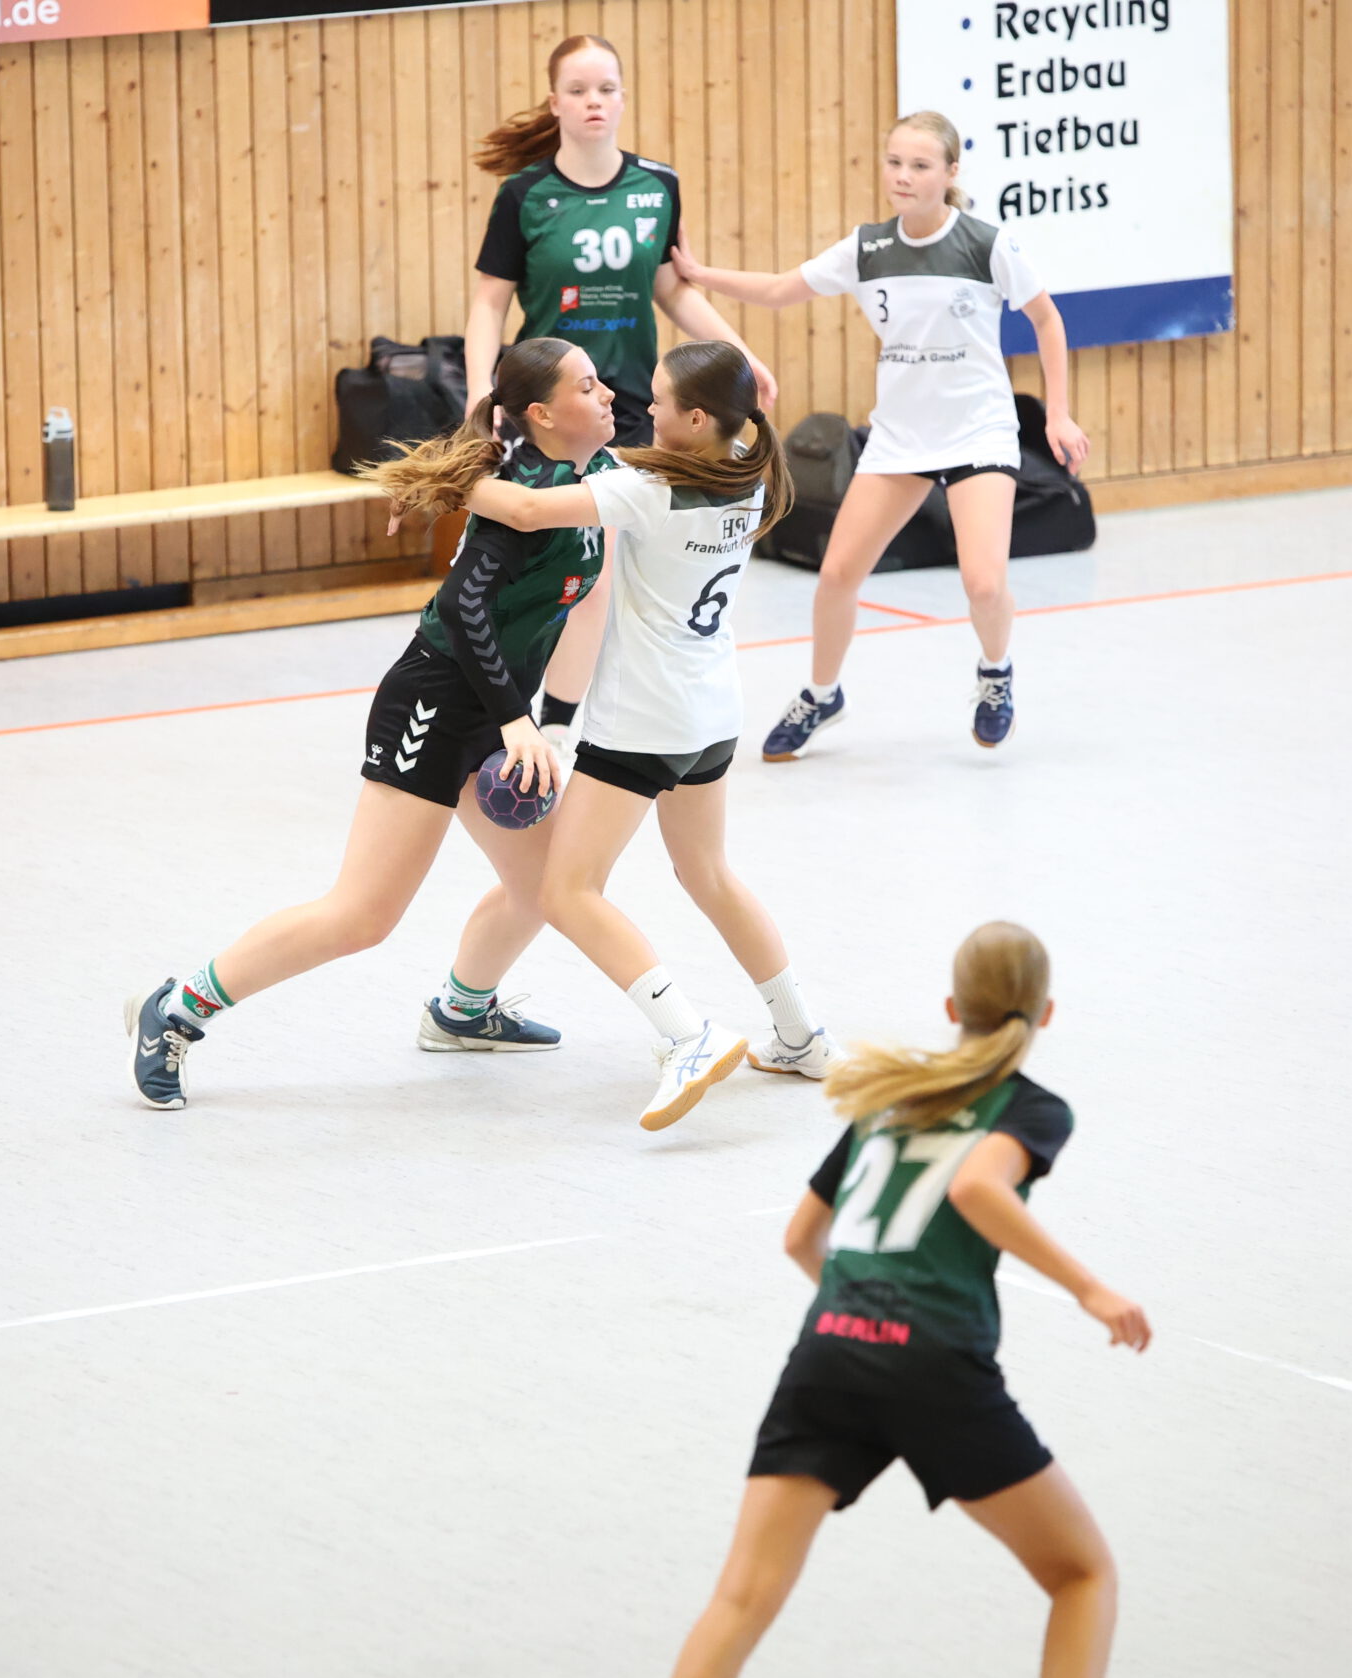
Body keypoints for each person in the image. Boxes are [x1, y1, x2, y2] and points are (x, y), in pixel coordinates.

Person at [662, 921, 1150, 1678]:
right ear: (1046, 1013)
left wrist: (858, 1314)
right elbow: (976, 1187)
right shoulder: (1028, 1108)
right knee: (1082, 1573)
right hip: (935, 1363)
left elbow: (800, 1239)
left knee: (741, 1599)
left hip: (828, 1352)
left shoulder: (887, 1100)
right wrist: (1090, 1288)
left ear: (953, 1006)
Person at [125, 339, 616, 1110]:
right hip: (437, 701)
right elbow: (464, 608)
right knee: (361, 916)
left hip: (504, 712)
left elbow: (586, 603)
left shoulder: (597, 481)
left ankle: (462, 1010)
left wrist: (550, 723)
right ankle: (179, 1008)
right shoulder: (520, 494)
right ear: (542, 414)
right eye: (588, 386)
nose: (609, 394)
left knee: (552, 886)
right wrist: (517, 721)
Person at [444, 341, 844, 1130]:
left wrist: (451, 476)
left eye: (659, 401)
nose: (644, 408)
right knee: (709, 873)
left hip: (642, 719)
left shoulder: (647, 489)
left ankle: (685, 1037)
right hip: (713, 714)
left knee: (566, 889)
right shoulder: (751, 470)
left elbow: (523, 510)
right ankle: (802, 1034)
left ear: (695, 419)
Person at [677, 112, 1093, 757]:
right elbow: (781, 290)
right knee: (838, 575)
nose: (903, 175)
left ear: (950, 173)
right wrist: (701, 276)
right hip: (901, 439)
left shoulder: (986, 245)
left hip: (980, 433)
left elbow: (1048, 319)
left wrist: (1058, 414)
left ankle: (995, 674)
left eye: (920, 165)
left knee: (984, 583)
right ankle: (822, 694)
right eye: (894, 162)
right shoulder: (867, 249)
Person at [467, 33, 778, 759]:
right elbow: (488, 303)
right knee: (541, 568)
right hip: (549, 415)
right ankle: (505, 708)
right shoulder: (524, 196)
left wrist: (740, 353)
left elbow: (672, 289)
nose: (594, 102)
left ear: (623, 97)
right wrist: (483, 395)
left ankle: (557, 726)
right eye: (578, 90)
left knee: (598, 577)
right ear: (555, 103)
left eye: (606, 88)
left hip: (632, 411)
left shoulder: (656, 186)